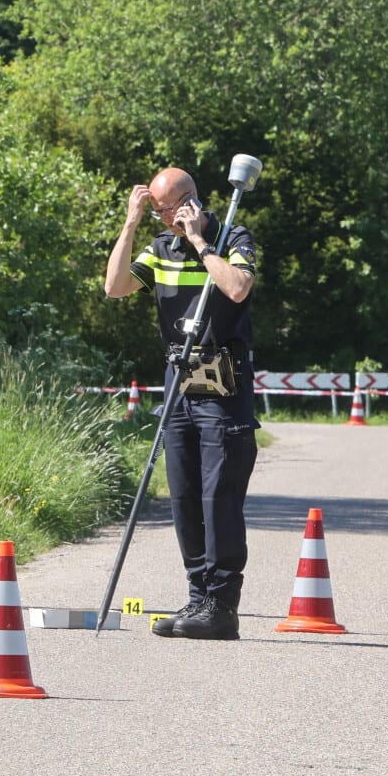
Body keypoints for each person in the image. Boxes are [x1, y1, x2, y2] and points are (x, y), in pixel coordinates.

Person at [104, 166, 259, 640]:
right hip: (178, 384)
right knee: (185, 498)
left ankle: (222, 606)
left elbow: (236, 287)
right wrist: (130, 225)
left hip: (223, 384)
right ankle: (198, 597)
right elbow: (114, 287)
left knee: (219, 500)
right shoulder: (158, 247)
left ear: (191, 201)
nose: (165, 217)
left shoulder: (232, 234)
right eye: (157, 208)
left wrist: (200, 243)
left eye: (170, 207)